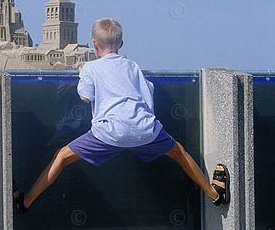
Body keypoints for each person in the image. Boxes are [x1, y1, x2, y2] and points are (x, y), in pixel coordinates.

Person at [13, 18, 230, 214]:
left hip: (108, 133)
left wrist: (82, 73)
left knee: (61, 156)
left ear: (94, 44)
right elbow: (148, 93)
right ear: (121, 45)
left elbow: (85, 98)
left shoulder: (90, 68)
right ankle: (215, 195)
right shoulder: (133, 66)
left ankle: (25, 202)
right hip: (144, 130)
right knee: (179, 152)